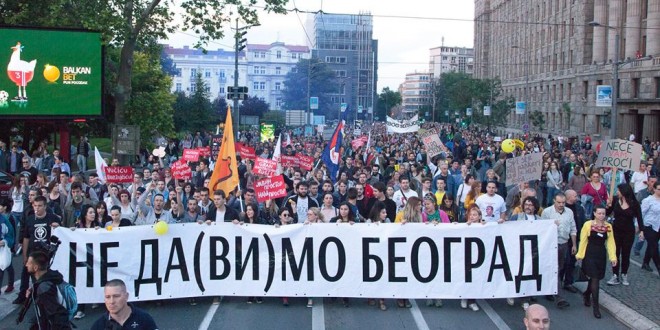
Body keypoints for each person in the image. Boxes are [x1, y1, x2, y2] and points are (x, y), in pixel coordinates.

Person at [14, 196, 61, 305]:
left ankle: (43, 298)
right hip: (32, 253)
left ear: (45, 206)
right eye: (35, 205)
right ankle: (22, 296)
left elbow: (62, 232)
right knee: (25, 273)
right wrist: (25, 255)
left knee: (43, 277)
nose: (37, 208)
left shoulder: (52, 218)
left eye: (40, 206)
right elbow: (26, 238)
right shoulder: (30, 219)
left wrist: (57, 227)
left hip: (46, 255)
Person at [576, 205, 617, 319]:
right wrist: (580, 255)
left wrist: (613, 257)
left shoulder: (608, 226)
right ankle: (596, 307)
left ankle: (587, 293)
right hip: (590, 254)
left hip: (601, 254)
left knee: (596, 278)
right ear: (594, 213)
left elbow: (610, 242)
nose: (601, 215)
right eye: (599, 213)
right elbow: (583, 240)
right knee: (594, 278)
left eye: (603, 213)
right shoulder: (588, 225)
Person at [541, 193, 576, 309]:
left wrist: (574, 244)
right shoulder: (547, 212)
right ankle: (559, 297)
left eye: (563, 203)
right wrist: (551, 226)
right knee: (554, 268)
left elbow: (573, 228)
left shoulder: (569, 212)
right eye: (559, 202)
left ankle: (549, 289)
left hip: (564, 244)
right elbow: (541, 229)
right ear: (554, 201)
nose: (561, 205)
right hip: (551, 244)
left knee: (560, 267)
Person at [605, 184, 643, 286]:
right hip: (616, 231)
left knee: (626, 254)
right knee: (615, 253)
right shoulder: (615, 200)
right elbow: (607, 212)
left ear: (624, 191)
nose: (617, 192)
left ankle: (624, 274)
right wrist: (608, 205)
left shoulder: (634, 203)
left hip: (628, 232)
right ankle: (615, 275)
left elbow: (639, 218)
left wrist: (642, 231)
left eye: (619, 190)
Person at [25, 250, 72, 329]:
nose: (26, 265)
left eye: (29, 263)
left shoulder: (44, 289)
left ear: (36, 267)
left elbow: (57, 314)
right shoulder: (51, 278)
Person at [91, 279, 159, 330]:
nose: (111, 301)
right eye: (107, 297)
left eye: (116, 296)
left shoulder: (143, 318)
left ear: (126, 296)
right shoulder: (99, 325)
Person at [461, 205, 483, 311]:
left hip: (478, 257)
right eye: (471, 215)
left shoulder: (484, 226)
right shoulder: (465, 225)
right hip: (466, 256)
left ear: (479, 216)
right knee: (466, 277)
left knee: (475, 279)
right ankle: (464, 297)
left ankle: (472, 301)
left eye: (475, 215)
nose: (473, 217)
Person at [640, 181, 660, 274]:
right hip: (649, 226)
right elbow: (641, 214)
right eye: (659, 189)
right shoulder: (648, 200)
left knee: (651, 245)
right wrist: (640, 229)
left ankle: (645, 262)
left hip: (658, 226)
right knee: (654, 247)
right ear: (655, 189)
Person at [0, 199, 16, 293]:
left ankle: (10, 284)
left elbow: (11, 233)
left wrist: (6, 242)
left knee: (6, 266)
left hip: (3, 249)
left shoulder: (6, 219)